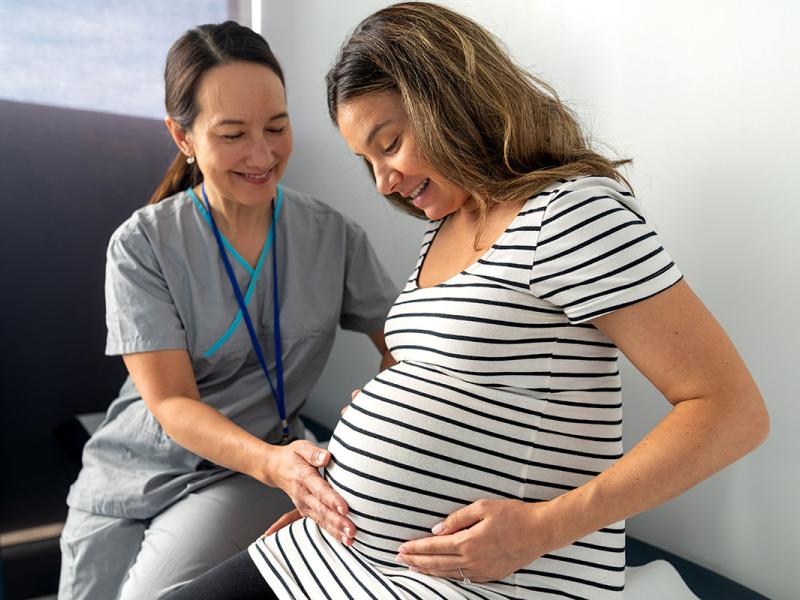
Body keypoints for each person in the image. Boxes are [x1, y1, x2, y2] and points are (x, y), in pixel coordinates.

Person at [167, 4, 769, 599]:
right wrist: (363, 454)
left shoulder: (573, 214)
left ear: (449, 101)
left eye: (391, 143)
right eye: (367, 161)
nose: (383, 182)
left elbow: (731, 412)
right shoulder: (448, 224)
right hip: (339, 549)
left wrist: (543, 527)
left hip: (490, 578)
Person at [57, 21, 398, 600]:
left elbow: (411, 348)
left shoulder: (331, 237)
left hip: (252, 464)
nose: (262, 154)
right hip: (128, 469)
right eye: (234, 134)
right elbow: (170, 402)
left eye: (277, 127)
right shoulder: (142, 245)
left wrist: (378, 432)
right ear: (183, 136)